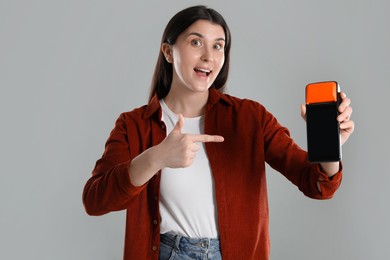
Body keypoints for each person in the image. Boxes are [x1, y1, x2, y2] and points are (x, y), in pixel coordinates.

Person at [82, 5, 354, 260]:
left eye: (218, 46)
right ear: (168, 51)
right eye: (195, 42)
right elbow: (95, 200)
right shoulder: (133, 125)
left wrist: (331, 145)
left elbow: (317, 185)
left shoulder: (250, 118)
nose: (208, 57)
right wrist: (156, 157)